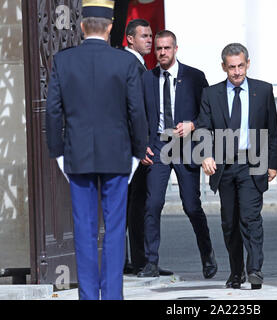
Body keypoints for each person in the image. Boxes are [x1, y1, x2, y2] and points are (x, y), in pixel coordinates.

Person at [45, 0, 148, 300]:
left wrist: (58, 153)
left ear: (81, 26)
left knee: (84, 230)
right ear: (111, 27)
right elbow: (136, 112)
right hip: (117, 156)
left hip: (77, 155)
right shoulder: (126, 62)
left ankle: (89, 296)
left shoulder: (63, 61)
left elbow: (52, 112)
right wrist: (138, 153)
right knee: (115, 230)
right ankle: (112, 295)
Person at [197, 43, 277, 289]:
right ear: (223, 67)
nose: (237, 72)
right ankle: (237, 272)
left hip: (252, 161)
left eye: (241, 66)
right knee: (230, 222)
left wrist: (273, 163)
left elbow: (272, 129)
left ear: (248, 64)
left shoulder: (263, 90)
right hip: (224, 165)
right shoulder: (211, 94)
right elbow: (203, 127)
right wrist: (206, 155)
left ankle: (255, 269)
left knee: (250, 217)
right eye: (232, 67)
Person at [138, 30, 217, 279]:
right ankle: (151, 262)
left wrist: (192, 125)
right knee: (152, 204)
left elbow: (208, 114)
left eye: (167, 48)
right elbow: (136, 114)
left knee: (192, 206)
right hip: (159, 146)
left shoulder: (194, 77)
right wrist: (140, 146)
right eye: (158, 48)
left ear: (176, 49)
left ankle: (207, 255)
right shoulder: (147, 79)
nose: (162, 52)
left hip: (186, 146)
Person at [123, 19, 173, 276]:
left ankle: (133, 260)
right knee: (137, 203)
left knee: (134, 203)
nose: (149, 40)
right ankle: (141, 261)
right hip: (137, 149)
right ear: (130, 39)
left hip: (135, 148)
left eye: (150, 36)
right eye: (144, 36)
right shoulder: (131, 65)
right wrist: (140, 146)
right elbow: (133, 110)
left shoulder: (138, 64)